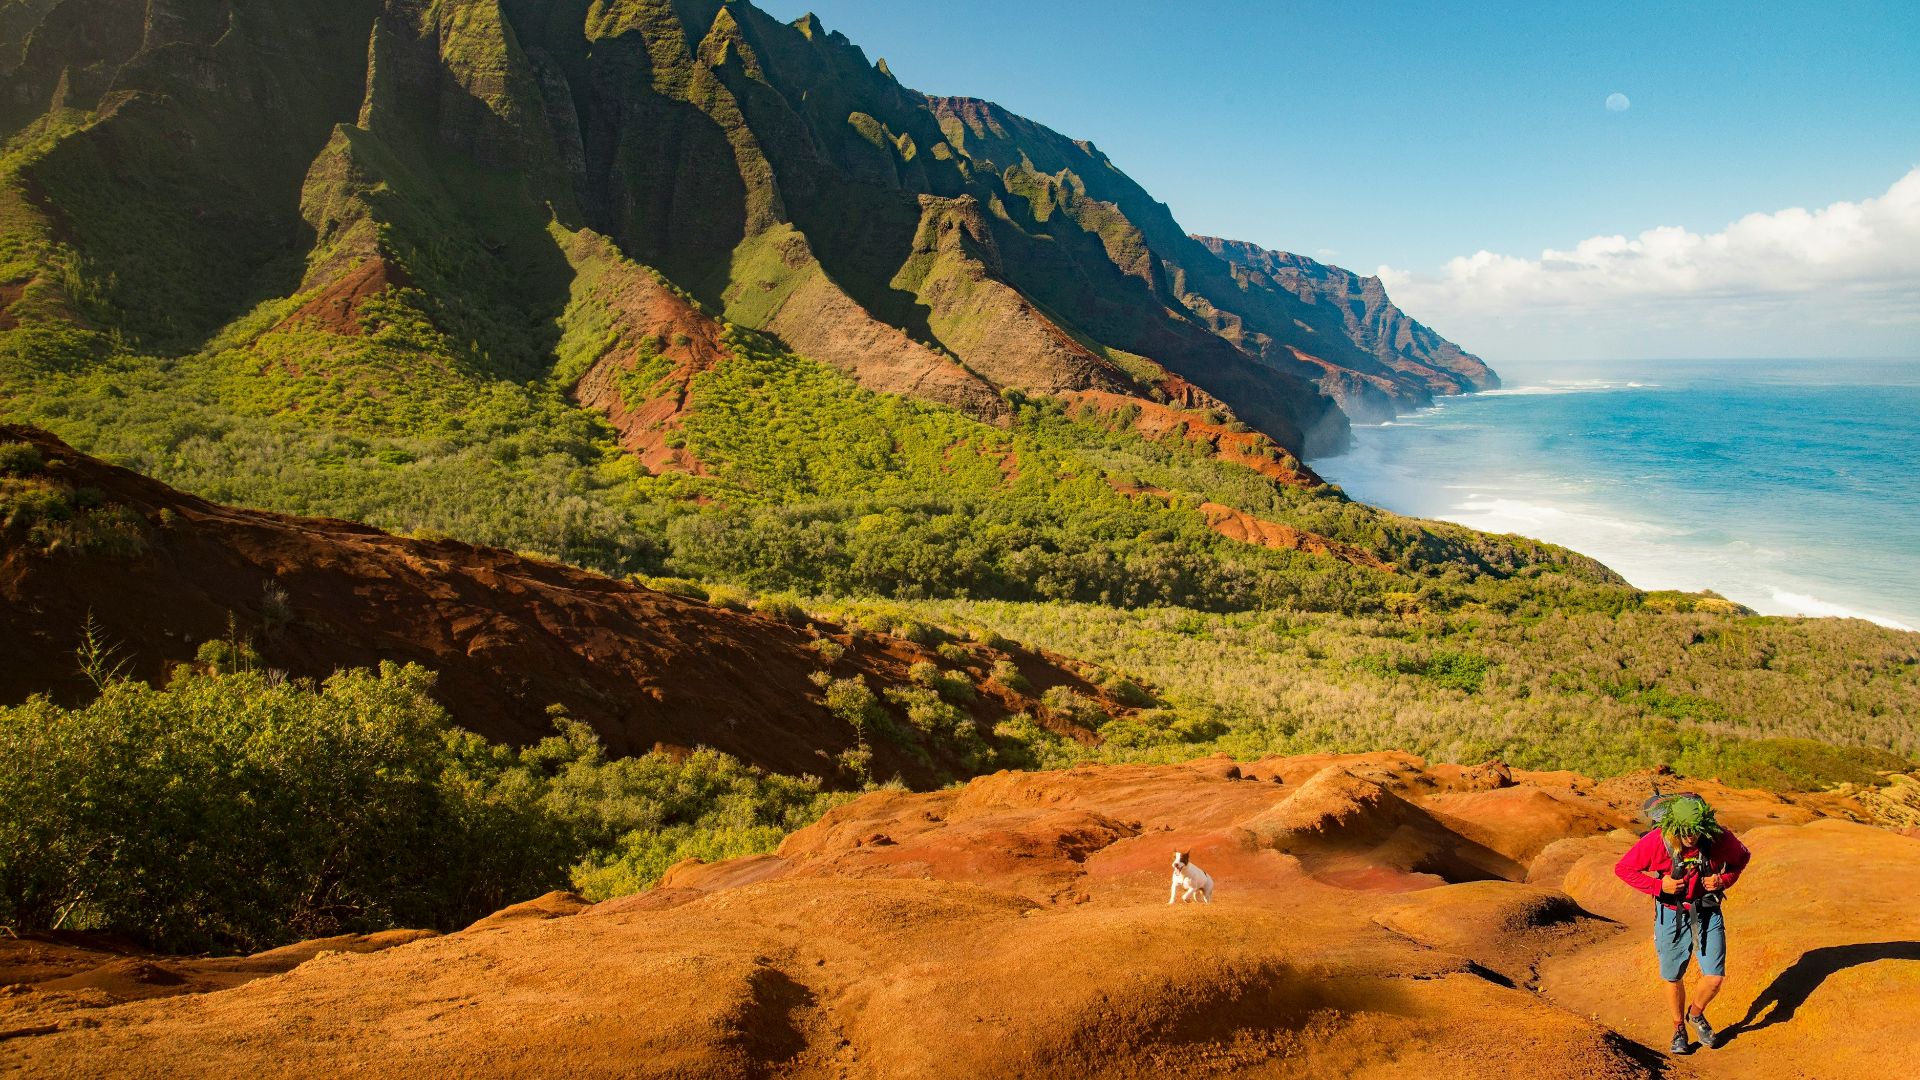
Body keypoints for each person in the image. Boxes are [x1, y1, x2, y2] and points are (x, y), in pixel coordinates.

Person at [1613, 794, 1751, 1055]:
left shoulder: (1718, 838)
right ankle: (1678, 1028)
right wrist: (1658, 886)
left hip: (1707, 911)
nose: (1691, 836)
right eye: (1685, 831)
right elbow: (1623, 869)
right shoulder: (1656, 842)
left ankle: (1696, 1014)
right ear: (1672, 825)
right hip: (1670, 914)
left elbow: (1742, 858)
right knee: (1673, 976)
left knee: (1714, 977)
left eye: (1696, 831)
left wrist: (1725, 880)